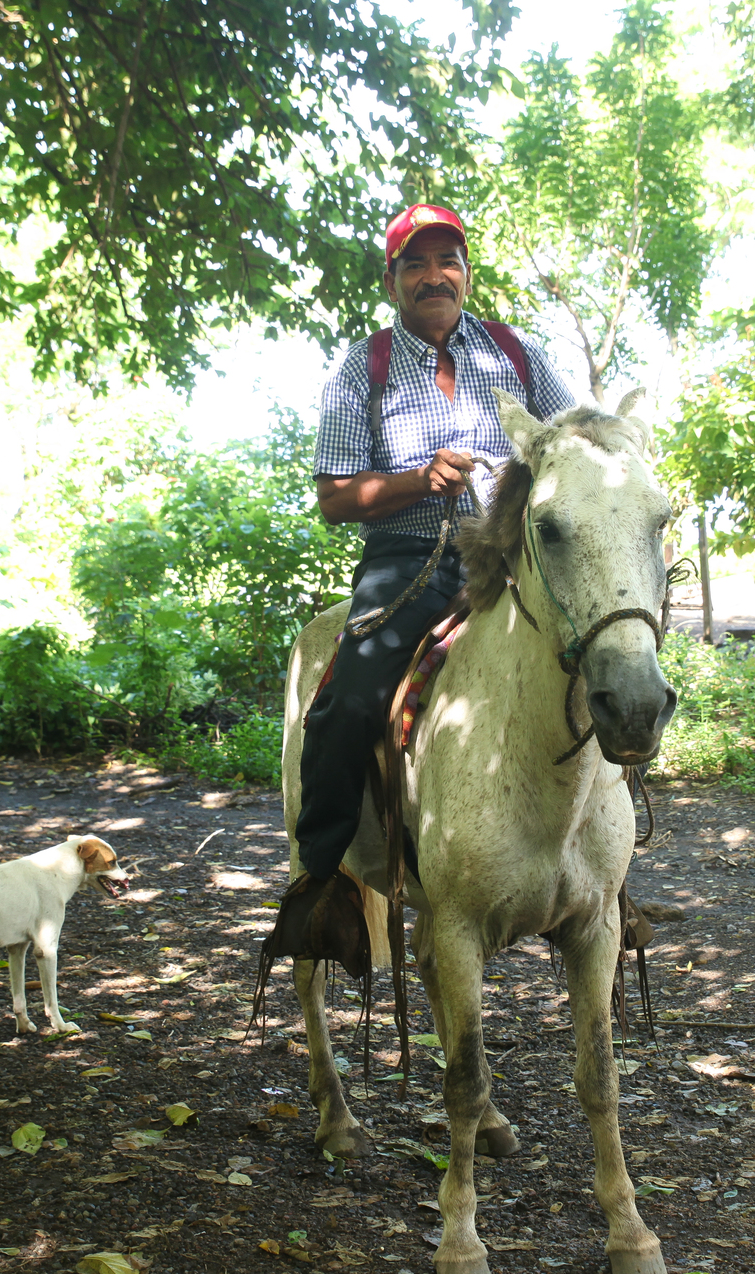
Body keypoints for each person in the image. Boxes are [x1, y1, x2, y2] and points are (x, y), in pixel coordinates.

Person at [289, 203, 578, 907]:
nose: (433, 276)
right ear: (393, 281)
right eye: (415, 263)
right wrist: (422, 480)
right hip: (409, 559)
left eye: (447, 260)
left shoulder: (514, 353)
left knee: (605, 664)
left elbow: (574, 443)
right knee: (349, 701)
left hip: (512, 557)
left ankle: (604, 875)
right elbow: (333, 497)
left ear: (467, 273)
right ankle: (324, 889)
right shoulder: (366, 366)